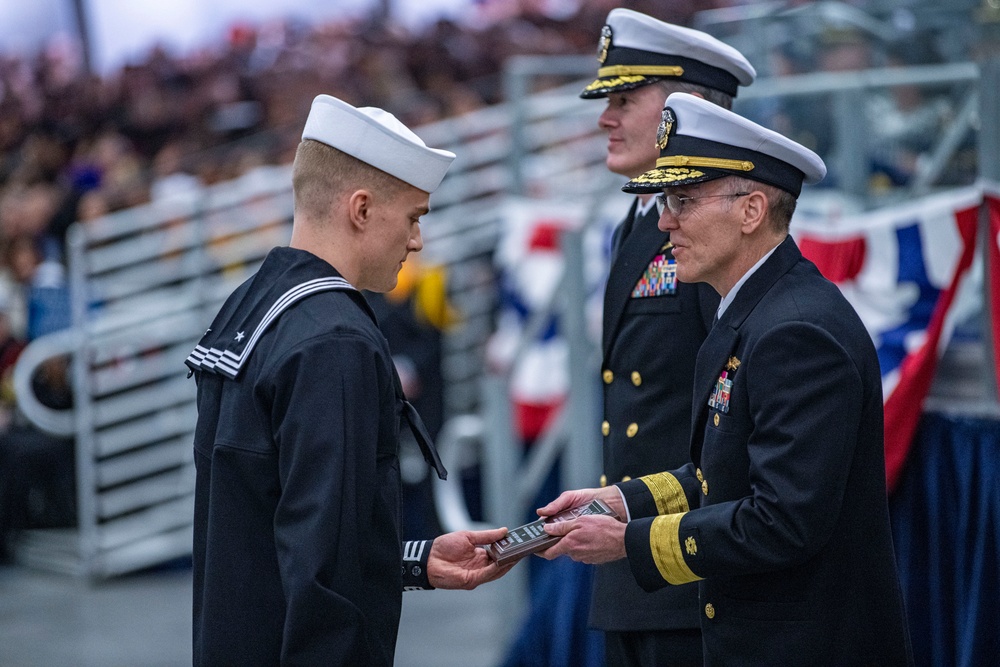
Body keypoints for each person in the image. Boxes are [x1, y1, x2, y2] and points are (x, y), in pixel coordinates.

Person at [537, 93, 913, 666]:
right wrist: (622, 501)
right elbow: (719, 474)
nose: (665, 221)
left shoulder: (796, 330)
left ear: (751, 210)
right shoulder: (750, 311)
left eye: (683, 200)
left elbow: (783, 519)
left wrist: (629, 542)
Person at [184, 94, 512, 667]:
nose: (416, 241)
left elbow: (278, 525)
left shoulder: (254, 303)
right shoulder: (337, 340)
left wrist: (410, 560)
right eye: (412, 217)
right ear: (361, 209)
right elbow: (323, 576)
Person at [579, 9, 755, 666]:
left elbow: (733, 421)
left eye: (626, 99)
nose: (606, 117)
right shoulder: (642, 217)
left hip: (693, 576)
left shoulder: (721, 230)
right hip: (636, 569)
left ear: (687, 109)